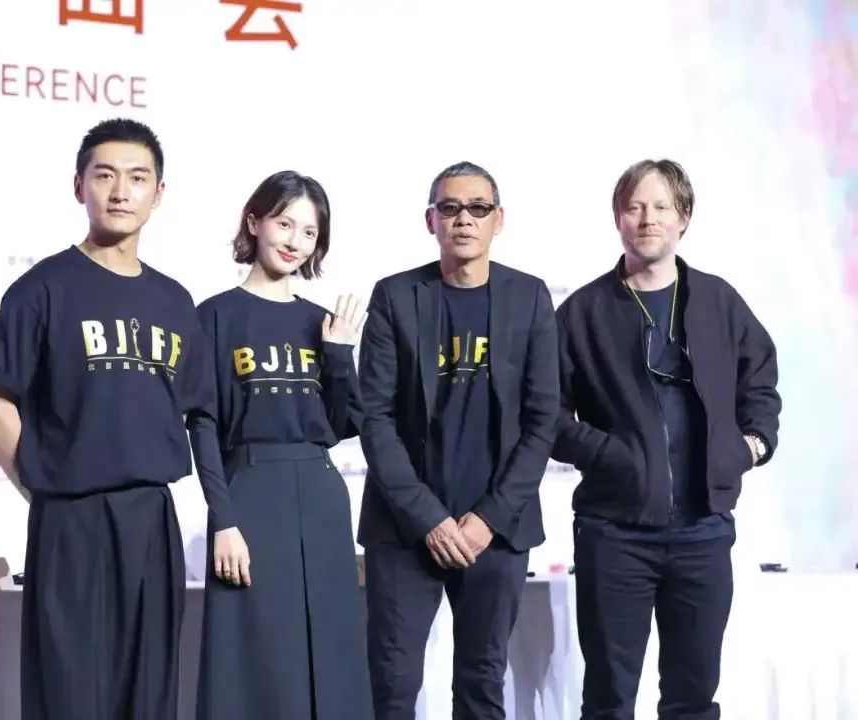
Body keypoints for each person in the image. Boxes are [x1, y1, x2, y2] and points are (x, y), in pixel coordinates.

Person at [0, 118, 230, 720]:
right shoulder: (43, 287)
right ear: (78, 185)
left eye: (137, 178)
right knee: (71, 689)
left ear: (158, 193)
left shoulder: (174, 301)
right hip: (71, 518)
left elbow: (197, 411)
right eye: (105, 175)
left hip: (152, 517)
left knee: (149, 690)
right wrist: (43, 487)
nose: (119, 191)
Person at [552, 159, 782, 720]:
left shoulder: (719, 301)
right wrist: (610, 456)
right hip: (613, 532)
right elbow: (547, 415)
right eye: (634, 207)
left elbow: (760, 380)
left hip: (704, 531)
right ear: (618, 219)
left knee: (693, 699)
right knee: (608, 700)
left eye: (660, 207)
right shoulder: (582, 311)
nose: (647, 219)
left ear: (684, 218)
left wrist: (751, 446)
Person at [357, 161, 560, 719]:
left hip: (496, 528)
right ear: (431, 220)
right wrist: (429, 518)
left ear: (499, 219)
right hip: (406, 528)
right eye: (449, 208)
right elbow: (374, 418)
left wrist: (487, 519)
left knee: (481, 682)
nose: (463, 219)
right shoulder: (396, 296)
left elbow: (543, 420)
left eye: (477, 208)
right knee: (392, 684)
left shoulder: (530, 297)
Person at [193, 170, 374, 720]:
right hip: (249, 493)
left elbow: (341, 425)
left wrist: (339, 355)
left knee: (331, 652)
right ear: (255, 222)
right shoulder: (214, 316)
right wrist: (223, 520)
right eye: (285, 223)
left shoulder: (320, 321)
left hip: (321, 496)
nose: (295, 241)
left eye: (310, 232)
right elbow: (203, 426)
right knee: (253, 655)